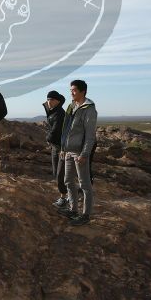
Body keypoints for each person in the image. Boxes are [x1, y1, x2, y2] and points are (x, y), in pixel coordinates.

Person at [57, 80, 97, 226]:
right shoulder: (71, 106)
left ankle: (85, 215)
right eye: (70, 90)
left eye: (74, 90)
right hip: (68, 151)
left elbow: (90, 135)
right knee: (68, 180)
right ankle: (73, 209)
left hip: (79, 153)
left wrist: (85, 153)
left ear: (82, 91)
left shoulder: (89, 109)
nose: (71, 92)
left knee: (85, 185)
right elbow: (65, 130)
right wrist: (62, 148)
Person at [43, 90, 68, 206]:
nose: (49, 102)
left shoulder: (59, 113)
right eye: (48, 99)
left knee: (60, 174)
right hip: (55, 147)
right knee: (56, 173)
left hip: (62, 148)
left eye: (51, 99)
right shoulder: (53, 111)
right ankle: (67, 194)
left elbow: (55, 131)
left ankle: (64, 198)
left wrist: (48, 138)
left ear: (57, 101)